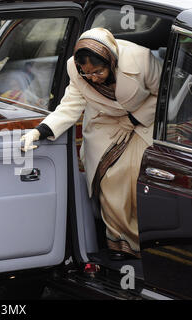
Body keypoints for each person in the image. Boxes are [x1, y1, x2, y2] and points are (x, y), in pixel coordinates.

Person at [21, 28, 162, 260]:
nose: (93, 78)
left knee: (141, 176)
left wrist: (136, 118)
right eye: (87, 74)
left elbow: (164, 94)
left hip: (144, 119)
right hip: (105, 124)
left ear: (111, 60)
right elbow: (70, 105)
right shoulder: (75, 70)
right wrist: (39, 132)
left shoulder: (141, 59)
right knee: (109, 181)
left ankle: (154, 245)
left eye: (98, 71)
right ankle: (122, 243)